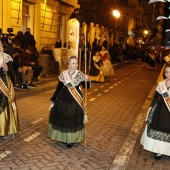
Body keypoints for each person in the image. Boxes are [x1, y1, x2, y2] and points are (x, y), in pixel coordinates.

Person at [47, 56, 91, 148]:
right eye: (73, 63)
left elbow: (86, 87)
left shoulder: (80, 74)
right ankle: (64, 138)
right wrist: (53, 99)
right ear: (69, 64)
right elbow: (58, 88)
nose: (76, 65)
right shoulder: (64, 74)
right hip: (64, 98)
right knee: (64, 118)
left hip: (75, 99)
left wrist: (87, 79)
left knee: (72, 119)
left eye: (77, 63)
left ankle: (70, 140)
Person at [141, 63, 170, 160]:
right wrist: (150, 108)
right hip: (160, 110)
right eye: (166, 72)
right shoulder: (161, 84)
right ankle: (159, 151)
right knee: (159, 129)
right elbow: (155, 97)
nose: (168, 74)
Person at [0, 40, 19, 139]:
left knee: (4, 105)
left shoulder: (7, 58)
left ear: (2, 46)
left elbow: (12, 73)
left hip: (4, 84)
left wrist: (7, 69)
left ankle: (4, 130)